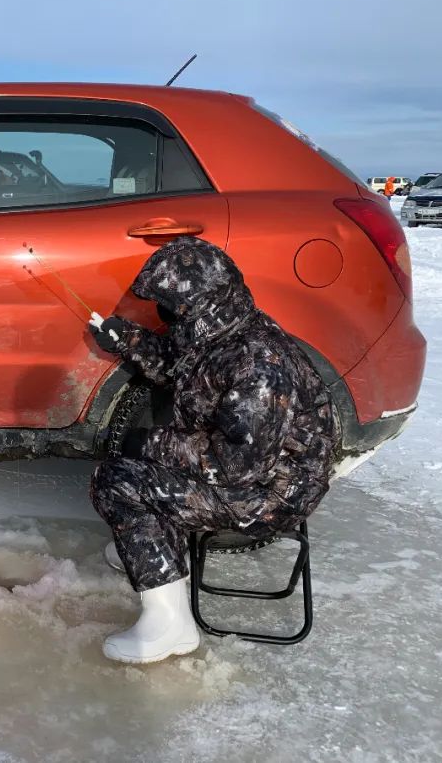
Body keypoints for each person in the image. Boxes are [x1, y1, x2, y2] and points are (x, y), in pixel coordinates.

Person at [87, 237, 336, 664]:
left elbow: (236, 464)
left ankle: (169, 627)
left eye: (169, 305)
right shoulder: (225, 334)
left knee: (117, 482)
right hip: (258, 473)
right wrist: (125, 338)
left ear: (195, 304)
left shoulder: (260, 362)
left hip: (270, 495)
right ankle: (149, 546)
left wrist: (151, 443)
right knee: (143, 462)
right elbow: (187, 371)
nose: (162, 313)